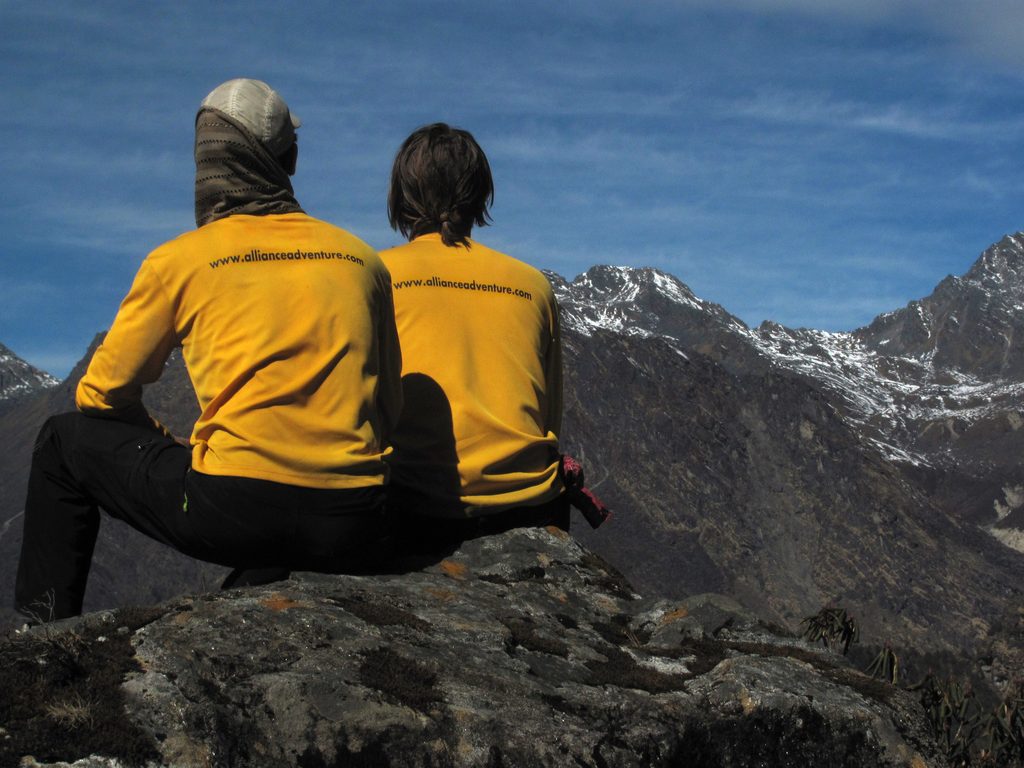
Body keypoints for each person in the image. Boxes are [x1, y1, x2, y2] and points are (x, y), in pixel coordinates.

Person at [15, 78, 402, 621]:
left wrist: (161, 439)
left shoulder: (180, 261)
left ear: (206, 163)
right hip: (354, 516)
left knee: (60, 442)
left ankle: (44, 632)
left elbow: (100, 397)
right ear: (287, 161)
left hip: (231, 509)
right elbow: (388, 410)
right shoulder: (363, 261)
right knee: (293, 515)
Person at [380, 123, 568, 548]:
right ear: (479, 193)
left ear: (401, 195)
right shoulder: (532, 285)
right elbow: (549, 414)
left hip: (413, 509)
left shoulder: (375, 276)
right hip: (531, 508)